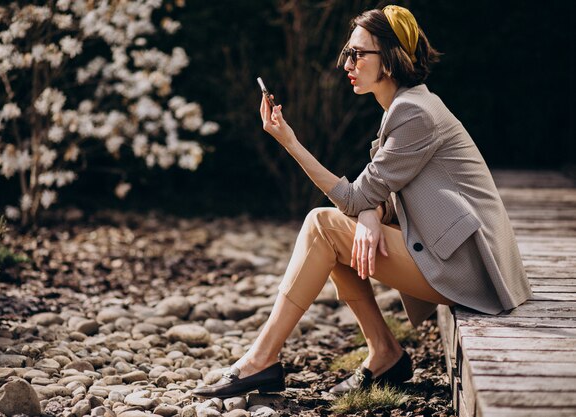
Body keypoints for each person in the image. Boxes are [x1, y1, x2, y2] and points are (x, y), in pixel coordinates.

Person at [192, 5, 532, 398]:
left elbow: (355, 196)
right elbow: (374, 193)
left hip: (470, 269)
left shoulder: (414, 114)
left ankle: (261, 360)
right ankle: (383, 351)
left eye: (358, 54)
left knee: (322, 226)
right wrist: (369, 215)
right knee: (336, 234)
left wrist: (290, 142)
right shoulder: (406, 106)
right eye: (347, 53)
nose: (347, 63)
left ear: (389, 58)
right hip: (457, 252)